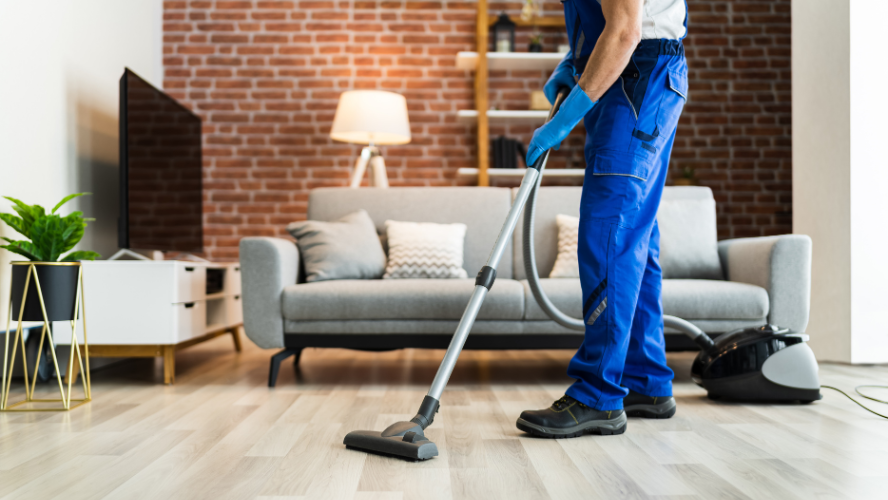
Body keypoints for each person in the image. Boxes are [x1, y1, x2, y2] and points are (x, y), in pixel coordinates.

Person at [517, 0, 688, 438]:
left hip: (638, 74)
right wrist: (571, 65)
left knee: (607, 233)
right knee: (635, 236)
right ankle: (646, 381)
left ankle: (598, 395)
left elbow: (627, 30)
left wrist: (563, 121)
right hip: (636, 74)